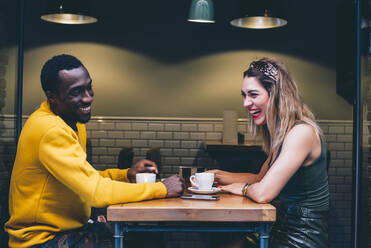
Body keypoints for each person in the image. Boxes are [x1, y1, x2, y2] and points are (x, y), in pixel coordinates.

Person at [4, 54, 184, 248]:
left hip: (67, 230)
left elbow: (85, 178)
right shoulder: (51, 130)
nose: (88, 97)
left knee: (142, 240)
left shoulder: (71, 122)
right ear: (52, 97)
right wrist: (162, 188)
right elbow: (96, 193)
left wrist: (126, 175)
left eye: (89, 87)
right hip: (41, 239)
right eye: (76, 92)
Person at [208, 57, 329, 248]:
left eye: (253, 94)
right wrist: (218, 176)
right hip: (280, 231)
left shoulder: (301, 133)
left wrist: (243, 189)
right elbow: (259, 178)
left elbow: (263, 193)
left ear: (276, 95)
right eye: (244, 95)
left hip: (301, 239)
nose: (246, 103)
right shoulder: (284, 134)